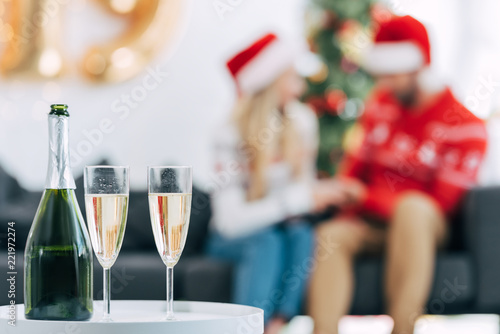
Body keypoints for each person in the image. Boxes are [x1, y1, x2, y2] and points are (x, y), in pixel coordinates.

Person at [309, 15, 488, 334]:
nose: (385, 84)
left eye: (393, 75)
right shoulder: (380, 107)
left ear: (418, 68)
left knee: (412, 209)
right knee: (331, 236)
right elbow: (355, 169)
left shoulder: (466, 127)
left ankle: (402, 329)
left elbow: (441, 203)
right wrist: (344, 193)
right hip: (374, 224)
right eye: (382, 75)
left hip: (425, 225)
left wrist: (367, 197)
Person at [206, 33, 341, 334]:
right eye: (292, 78)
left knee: (300, 234)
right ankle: (252, 329)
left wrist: (316, 197)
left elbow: (301, 197)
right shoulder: (228, 134)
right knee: (267, 240)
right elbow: (230, 222)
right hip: (234, 239)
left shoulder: (303, 122)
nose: (301, 88)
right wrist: (299, 200)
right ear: (268, 84)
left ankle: (277, 325)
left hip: (282, 232)